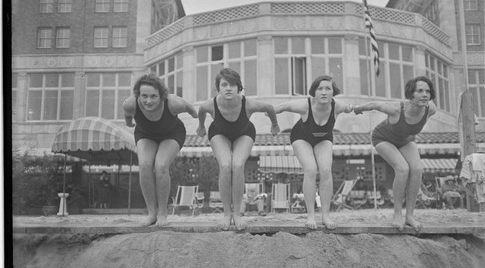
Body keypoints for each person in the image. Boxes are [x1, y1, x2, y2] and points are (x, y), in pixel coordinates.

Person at [197, 68, 279, 230]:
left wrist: (275, 124)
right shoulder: (210, 105)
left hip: (244, 133)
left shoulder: (248, 103)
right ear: (218, 88)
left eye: (233, 85)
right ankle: (227, 213)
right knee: (226, 165)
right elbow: (201, 111)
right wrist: (201, 126)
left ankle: (237, 214)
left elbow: (269, 107)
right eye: (224, 84)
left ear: (239, 88)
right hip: (219, 133)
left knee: (237, 165)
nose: (229, 88)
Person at [354, 76, 437, 233]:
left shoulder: (430, 110)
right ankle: (397, 214)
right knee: (403, 168)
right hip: (382, 138)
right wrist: (358, 109)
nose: (425, 94)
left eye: (427, 91)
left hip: (405, 140)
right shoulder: (397, 109)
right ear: (410, 94)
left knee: (417, 169)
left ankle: (410, 216)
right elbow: (374, 104)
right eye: (420, 91)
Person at [275, 75, 353, 229]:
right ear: (314, 92)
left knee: (325, 170)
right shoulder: (304, 105)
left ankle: (325, 215)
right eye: (320, 89)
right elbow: (282, 106)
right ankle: (310, 215)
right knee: (310, 169)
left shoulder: (337, 106)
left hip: (323, 138)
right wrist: (271, 118)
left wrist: (355, 109)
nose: (324, 92)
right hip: (301, 137)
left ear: (333, 92)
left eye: (328, 89)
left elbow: (350, 108)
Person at [123, 74, 198, 227]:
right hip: (145, 134)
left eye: (153, 96)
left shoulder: (173, 103)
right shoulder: (130, 104)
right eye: (144, 96)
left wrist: (199, 122)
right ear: (138, 94)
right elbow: (127, 115)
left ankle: (162, 213)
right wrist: (129, 123)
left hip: (172, 134)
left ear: (161, 96)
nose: (148, 101)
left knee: (161, 166)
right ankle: (151, 213)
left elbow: (191, 108)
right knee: (144, 166)